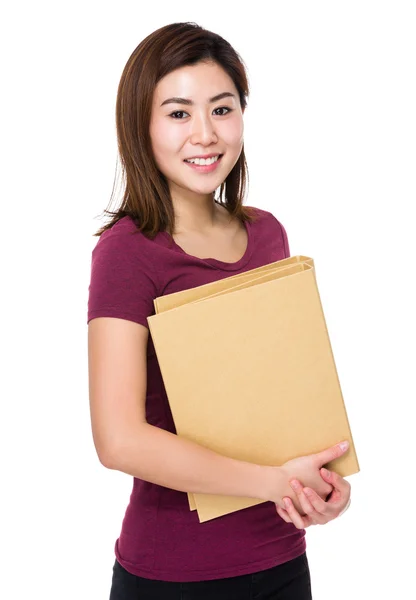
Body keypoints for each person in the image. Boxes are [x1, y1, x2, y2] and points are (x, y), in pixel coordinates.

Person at [87, 21, 352, 600]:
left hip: (283, 563)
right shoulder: (127, 251)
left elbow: (282, 405)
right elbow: (119, 440)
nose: (205, 135)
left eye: (222, 109)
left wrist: (318, 488)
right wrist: (272, 482)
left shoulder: (267, 236)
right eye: (179, 113)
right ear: (142, 124)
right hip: (173, 575)